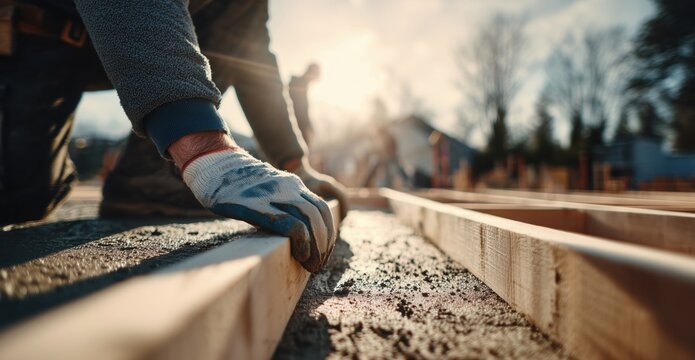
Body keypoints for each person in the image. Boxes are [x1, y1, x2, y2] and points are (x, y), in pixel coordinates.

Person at [0, 0, 347, 273]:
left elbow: (252, 51)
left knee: (238, 7)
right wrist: (205, 150)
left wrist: (293, 162)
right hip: (30, 37)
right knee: (18, 197)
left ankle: (147, 176)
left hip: (106, 38)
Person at [289, 63, 321, 146]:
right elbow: (298, 109)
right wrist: (306, 127)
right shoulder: (297, 84)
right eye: (317, 74)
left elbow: (303, 110)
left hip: (299, 126)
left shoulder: (302, 85)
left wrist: (309, 125)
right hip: (295, 127)